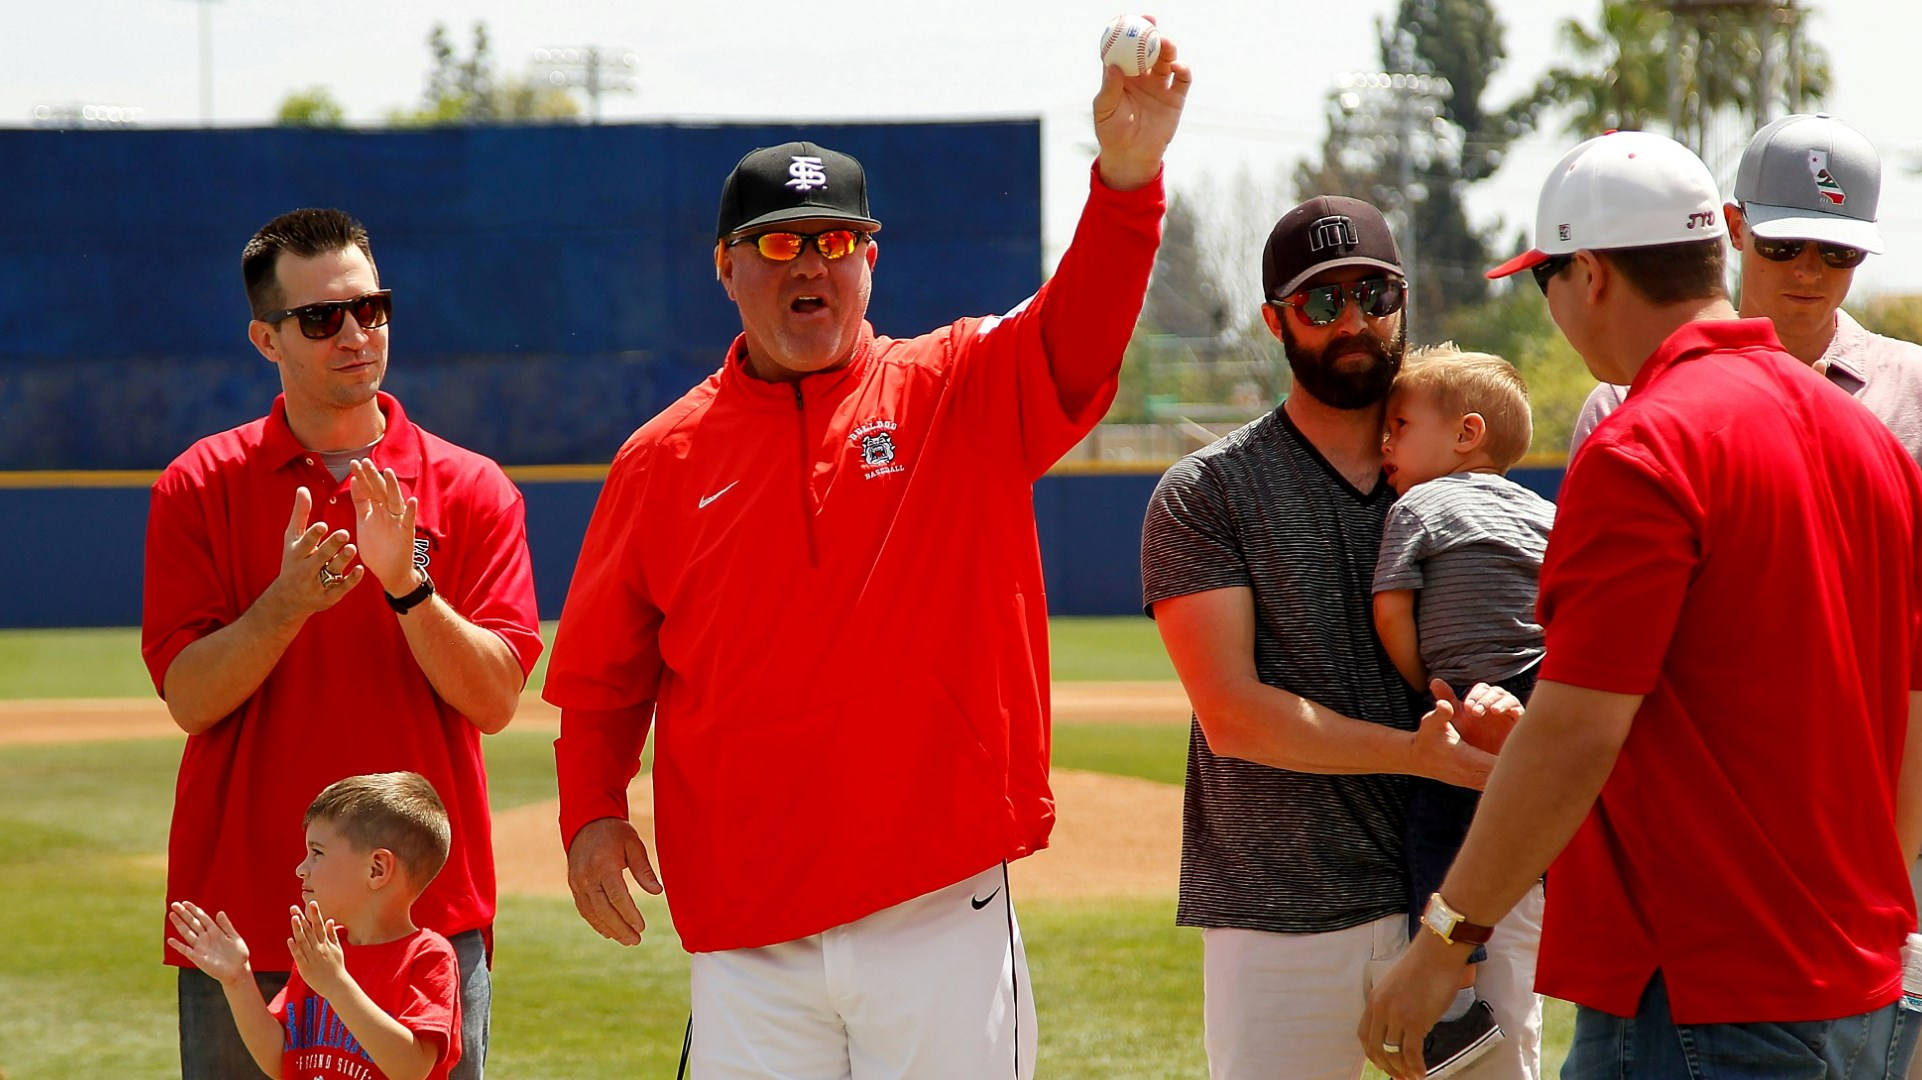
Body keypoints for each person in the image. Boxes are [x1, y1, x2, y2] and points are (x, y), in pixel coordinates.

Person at [539, 33, 1189, 1080]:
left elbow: (1079, 331)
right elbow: (605, 676)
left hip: (937, 908)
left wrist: (1125, 182)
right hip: (747, 934)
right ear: (726, 266)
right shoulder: (657, 460)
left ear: (869, 261)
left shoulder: (957, 389)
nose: (811, 265)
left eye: (834, 243)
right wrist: (590, 813)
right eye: (781, 243)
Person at [1361, 130, 1922, 1078]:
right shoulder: (1865, 439)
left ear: (1589, 273)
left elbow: (1580, 729)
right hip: (1857, 981)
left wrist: (1446, 940)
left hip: (1700, 990)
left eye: (1545, 282)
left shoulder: (1642, 445)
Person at [1139, 195, 1544, 1080]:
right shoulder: (1206, 492)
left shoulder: (1471, 479)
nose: (1354, 319)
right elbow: (1235, 715)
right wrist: (1419, 755)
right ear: (1274, 320)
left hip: (1470, 899)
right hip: (1278, 908)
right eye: (1322, 303)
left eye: (1374, 292)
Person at [142, 208, 542, 1079]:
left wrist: (409, 587)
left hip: (417, 923)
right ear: (266, 338)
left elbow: (496, 699)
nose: (356, 333)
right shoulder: (200, 485)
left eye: (372, 308)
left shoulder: (470, 488)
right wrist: (285, 606)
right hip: (249, 919)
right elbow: (191, 698)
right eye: (322, 318)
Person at [1372, 346, 1556, 1075]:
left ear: (1465, 434)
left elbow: (1391, 608)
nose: (1385, 441)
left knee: (1438, 833)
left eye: (1400, 424)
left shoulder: (1417, 503)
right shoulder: (1542, 509)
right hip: (1541, 694)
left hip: (1463, 692)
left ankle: (1457, 996)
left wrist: (1429, 685)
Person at [1569, 113, 1922, 464]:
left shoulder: (1914, 388)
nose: (1809, 270)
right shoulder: (1626, 399)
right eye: (1785, 244)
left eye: (1839, 251)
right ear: (1736, 227)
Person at [167, 772, 464, 1080]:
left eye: (317, 853)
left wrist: (337, 985)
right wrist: (237, 979)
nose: (300, 868)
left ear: (377, 869)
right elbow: (280, 1061)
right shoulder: (325, 949)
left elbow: (412, 1069)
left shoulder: (427, 956)